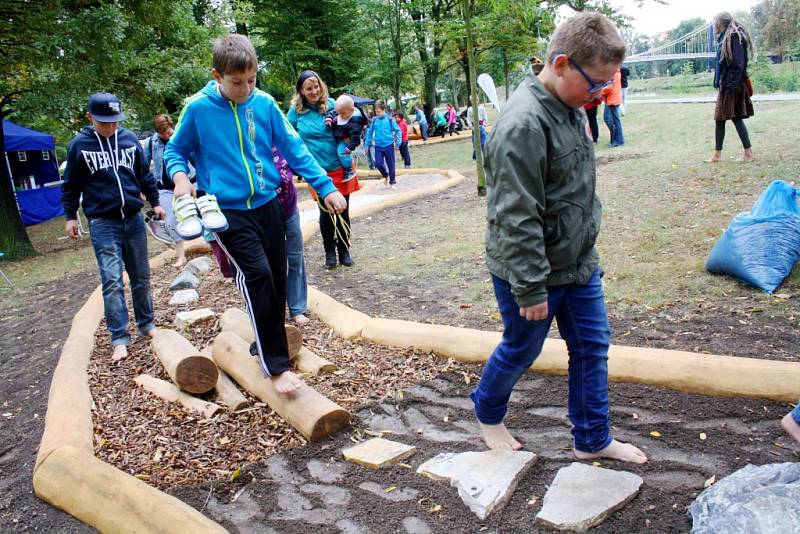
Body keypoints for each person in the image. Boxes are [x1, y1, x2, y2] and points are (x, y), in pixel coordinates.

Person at [472, 12, 647, 464]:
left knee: (592, 345)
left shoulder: (569, 106)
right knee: (522, 347)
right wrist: (529, 285)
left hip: (578, 261)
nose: (599, 94)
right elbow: (515, 214)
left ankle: (593, 439)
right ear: (563, 63)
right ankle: (488, 412)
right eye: (595, 84)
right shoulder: (523, 125)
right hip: (533, 269)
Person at [164, 35, 347, 394]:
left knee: (278, 277)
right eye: (237, 82)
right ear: (217, 75)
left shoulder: (263, 104)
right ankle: (274, 367)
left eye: (252, 80)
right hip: (225, 211)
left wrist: (325, 187)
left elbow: (293, 147)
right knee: (257, 276)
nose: (246, 89)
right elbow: (175, 152)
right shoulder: (198, 109)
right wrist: (181, 178)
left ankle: (267, 343)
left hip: (268, 204)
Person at [62, 93, 165, 362]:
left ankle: (147, 324)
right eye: (104, 122)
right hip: (103, 222)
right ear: (90, 118)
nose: (110, 127)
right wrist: (70, 215)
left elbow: (144, 175)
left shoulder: (129, 140)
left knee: (141, 276)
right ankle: (119, 337)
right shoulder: (79, 146)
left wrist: (155, 202)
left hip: (132, 218)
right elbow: (71, 184)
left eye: (115, 122)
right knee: (111, 280)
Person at [288, 70, 360, 269]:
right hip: (317, 170)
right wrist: (297, 166)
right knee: (325, 212)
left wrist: (350, 136)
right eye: (309, 88)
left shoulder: (332, 105)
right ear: (301, 91)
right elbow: (288, 137)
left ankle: (344, 250)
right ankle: (329, 251)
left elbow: (353, 119)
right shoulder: (295, 111)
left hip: (339, 166)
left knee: (343, 209)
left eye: (316, 86)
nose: (314, 91)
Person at [142, 114, 194, 266]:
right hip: (164, 187)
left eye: (169, 131)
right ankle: (181, 256)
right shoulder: (151, 143)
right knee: (171, 220)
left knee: (195, 214)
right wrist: (142, 188)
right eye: (163, 133)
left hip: (187, 182)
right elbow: (143, 166)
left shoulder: (181, 136)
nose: (167, 135)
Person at [707, 11, 754, 163]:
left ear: (720, 23)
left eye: (715, 22)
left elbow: (738, 65)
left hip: (732, 86)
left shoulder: (733, 37)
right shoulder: (725, 38)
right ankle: (720, 155)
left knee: (729, 118)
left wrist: (730, 86)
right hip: (727, 84)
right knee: (726, 118)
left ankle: (745, 154)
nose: (714, 25)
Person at [272, 147, 310, 326]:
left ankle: (297, 308)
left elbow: (302, 162)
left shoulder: (282, 144)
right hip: (266, 215)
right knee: (273, 263)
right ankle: (275, 309)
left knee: (295, 257)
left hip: (289, 208)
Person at [325, 94, 367, 183]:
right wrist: (329, 117)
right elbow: (334, 111)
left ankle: (349, 170)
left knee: (342, 152)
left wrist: (349, 148)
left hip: (347, 140)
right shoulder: (343, 110)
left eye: (342, 114)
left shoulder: (355, 121)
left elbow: (356, 138)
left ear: (352, 110)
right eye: (339, 113)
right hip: (340, 135)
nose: (340, 115)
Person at [364, 99, 401, 188]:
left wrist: (398, 143)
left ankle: (392, 182)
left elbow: (398, 131)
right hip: (378, 146)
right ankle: (386, 175)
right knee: (378, 163)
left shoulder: (390, 119)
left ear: (384, 110)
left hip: (389, 145)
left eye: (378, 112)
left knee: (391, 164)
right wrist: (366, 144)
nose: (377, 113)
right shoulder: (374, 120)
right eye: (376, 112)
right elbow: (369, 133)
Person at [602, 68, 624, 147]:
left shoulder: (612, 74)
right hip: (615, 99)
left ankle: (617, 141)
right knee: (615, 121)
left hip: (612, 100)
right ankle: (618, 140)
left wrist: (600, 91)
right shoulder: (617, 72)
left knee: (614, 122)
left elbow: (609, 88)